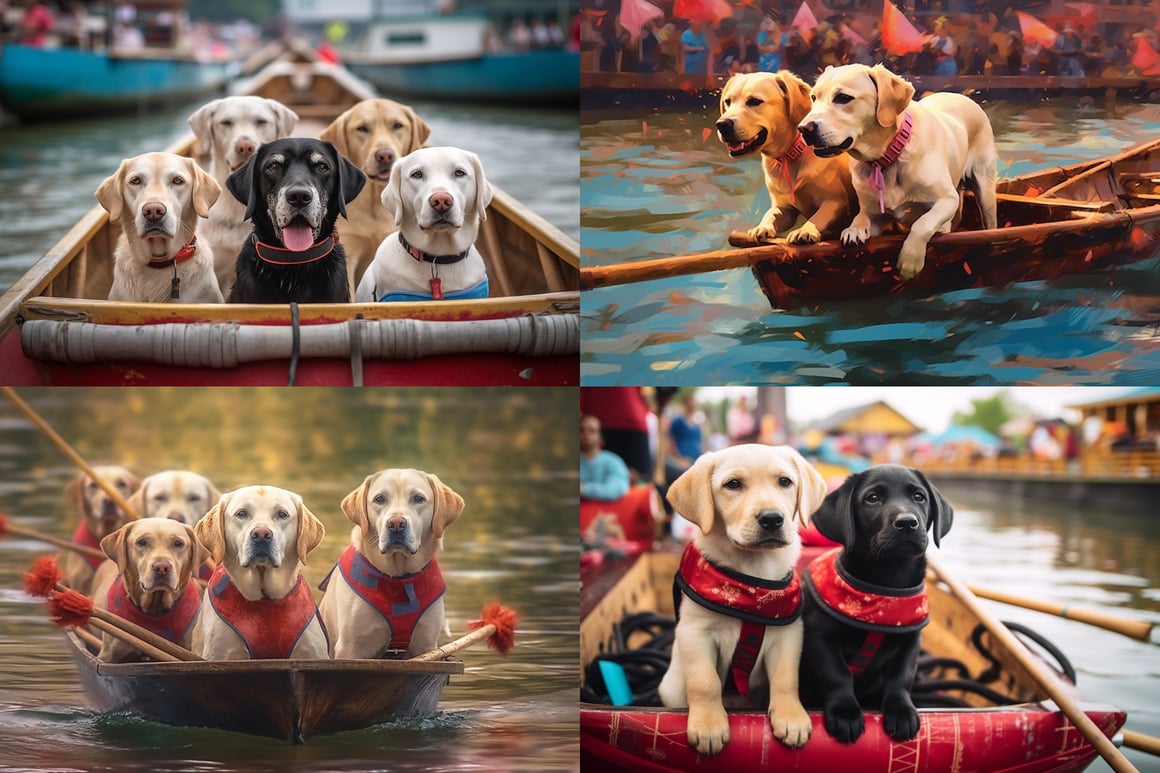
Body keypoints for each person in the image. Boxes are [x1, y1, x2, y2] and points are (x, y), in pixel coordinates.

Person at [580, 415, 631, 502]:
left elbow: (618, 488)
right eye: (581, 430)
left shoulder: (613, 461)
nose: (586, 434)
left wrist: (584, 489)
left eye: (592, 431)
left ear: (601, 438)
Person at [666, 393, 703, 480]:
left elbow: (700, 443)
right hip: (683, 461)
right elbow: (670, 441)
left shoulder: (696, 425)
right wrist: (678, 459)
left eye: (694, 405)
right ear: (685, 405)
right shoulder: (677, 421)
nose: (692, 407)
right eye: (690, 405)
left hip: (696, 459)